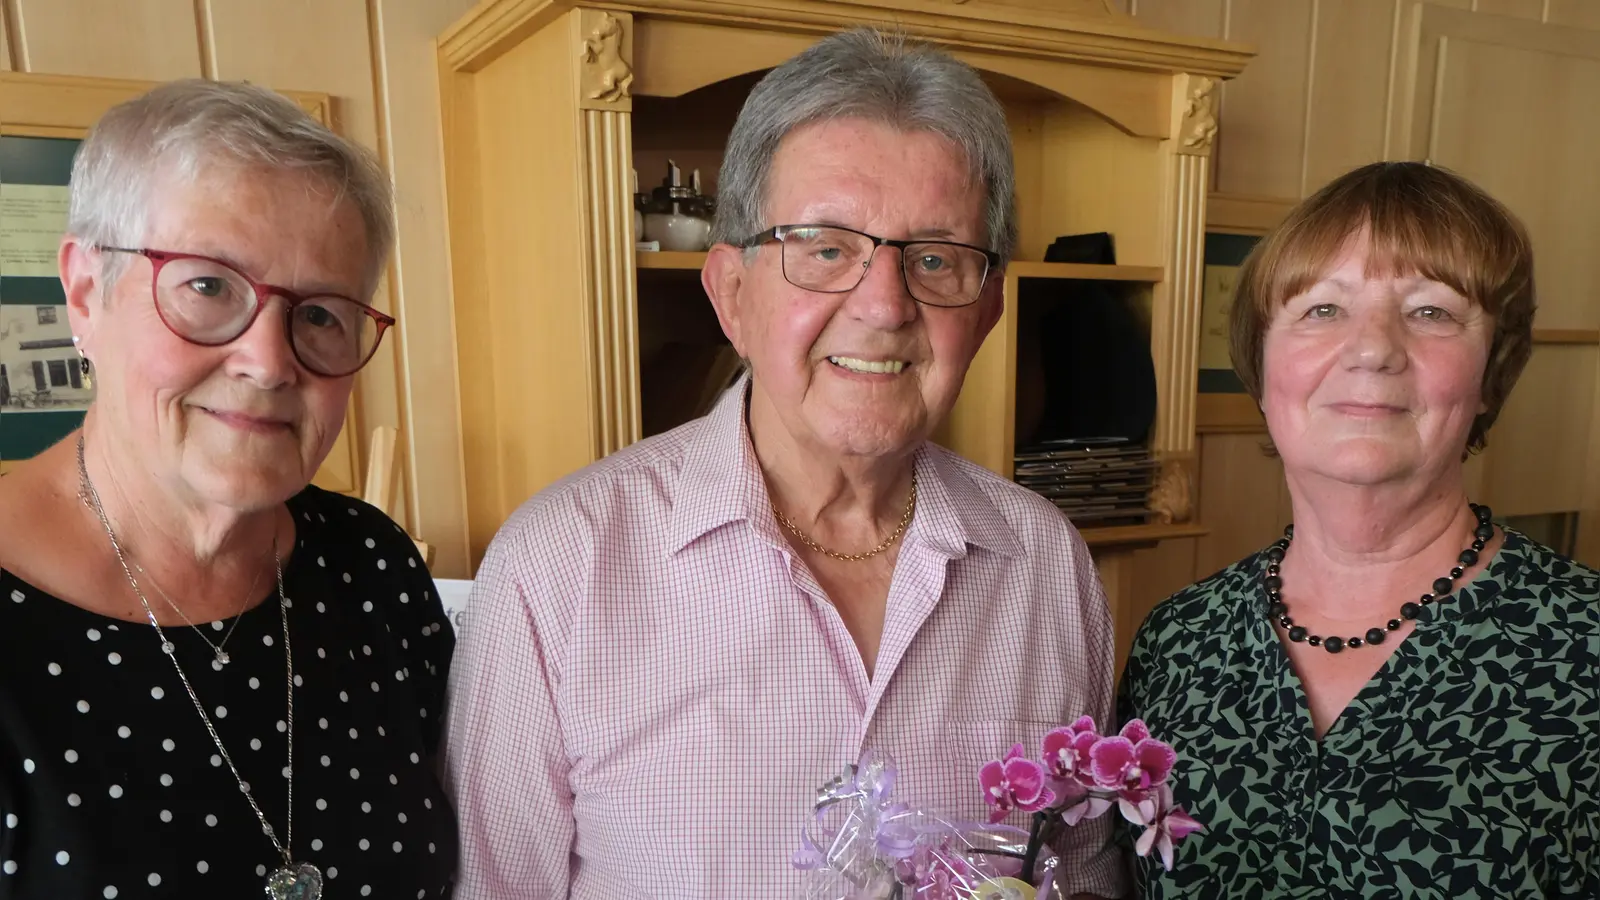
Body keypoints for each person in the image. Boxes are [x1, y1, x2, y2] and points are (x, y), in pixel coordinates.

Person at [445, 27, 1126, 899]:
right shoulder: (560, 567)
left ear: (988, 310)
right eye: (825, 248)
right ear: (733, 292)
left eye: (934, 259)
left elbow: (1085, 873)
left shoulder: (1047, 564)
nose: (883, 307)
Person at [0, 80, 458, 899]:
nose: (270, 362)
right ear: (83, 292)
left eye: (319, 313)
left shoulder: (373, 568)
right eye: (208, 287)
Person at [1118, 161, 1597, 897]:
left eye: (1431, 311)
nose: (1373, 348)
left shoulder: (1584, 650)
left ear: (1490, 372)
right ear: (1261, 363)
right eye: (1322, 309)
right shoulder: (1177, 645)